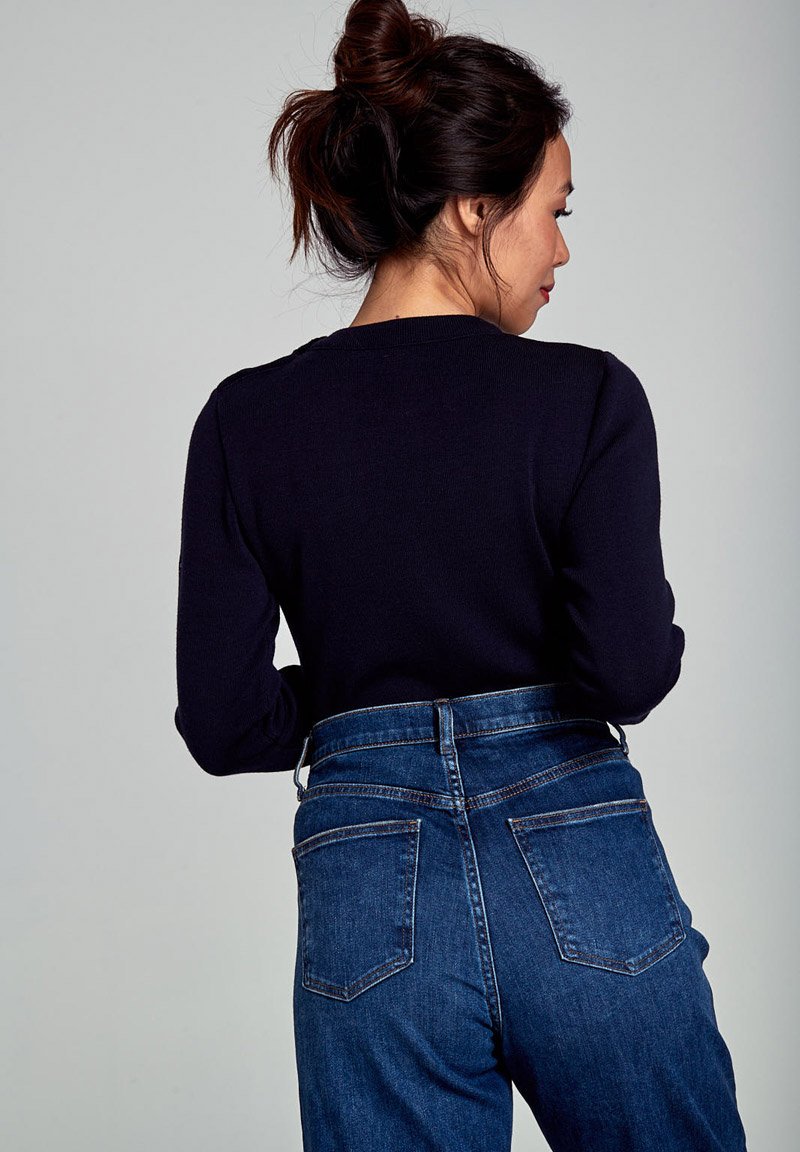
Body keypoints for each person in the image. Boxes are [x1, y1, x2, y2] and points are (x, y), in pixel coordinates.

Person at [174, 1, 749, 1148]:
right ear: (475, 208)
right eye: (554, 211)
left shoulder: (246, 421)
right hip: (575, 850)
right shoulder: (584, 397)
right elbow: (625, 670)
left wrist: (364, 700)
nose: (561, 249)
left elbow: (227, 721)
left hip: (365, 874)